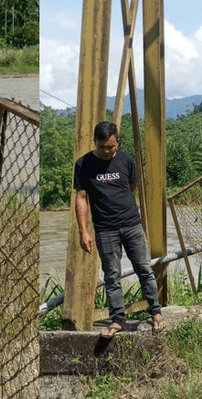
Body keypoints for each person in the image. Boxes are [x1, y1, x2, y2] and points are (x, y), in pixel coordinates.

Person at [74, 120, 165, 338]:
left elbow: (131, 188)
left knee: (144, 269)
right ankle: (117, 320)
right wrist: (83, 231)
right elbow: (81, 197)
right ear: (94, 142)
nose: (106, 151)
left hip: (132, 225)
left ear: (118, 143)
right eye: (102, 146)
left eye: (111, 147)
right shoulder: (83, 164)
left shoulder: (127, 161)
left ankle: (156, 313)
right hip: (105, 229)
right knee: (112, 276)